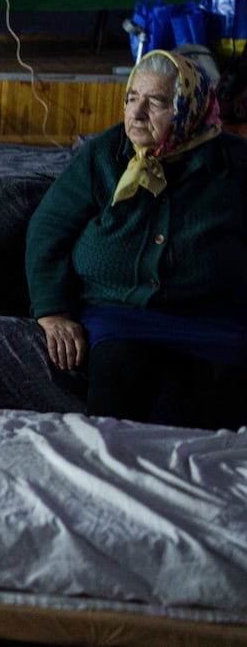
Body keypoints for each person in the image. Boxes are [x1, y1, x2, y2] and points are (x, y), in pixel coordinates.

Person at [26, 50, 247, 430]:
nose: (137, 113)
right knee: (114, 408)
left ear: (189, 108)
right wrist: (53, 313)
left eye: (157, 102)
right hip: (120, 313)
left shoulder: (234, 163)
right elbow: (48, 230)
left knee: (229, 415)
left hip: (214, 317)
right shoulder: (104, 156)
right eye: (132, 98)